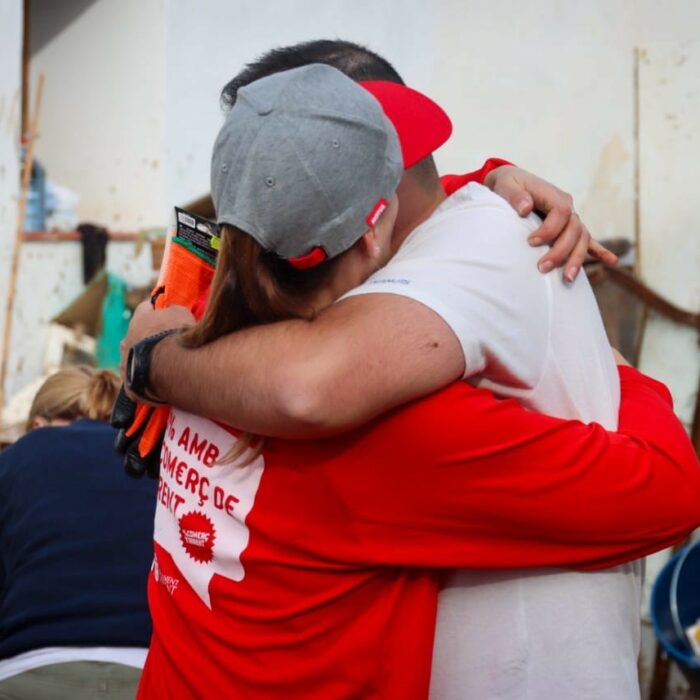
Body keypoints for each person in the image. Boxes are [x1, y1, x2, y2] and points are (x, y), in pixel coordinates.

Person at [131, 63, 700, 700]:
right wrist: (625, 374)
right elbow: (670, 493)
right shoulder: (381, 432)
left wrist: (487, 181)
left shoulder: (187, 327)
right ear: (377, 231)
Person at [0, 367, 156, 700]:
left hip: (30, 669)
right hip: (150, 673)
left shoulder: (17, 458)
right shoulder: (156, 462)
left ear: (37, 426)